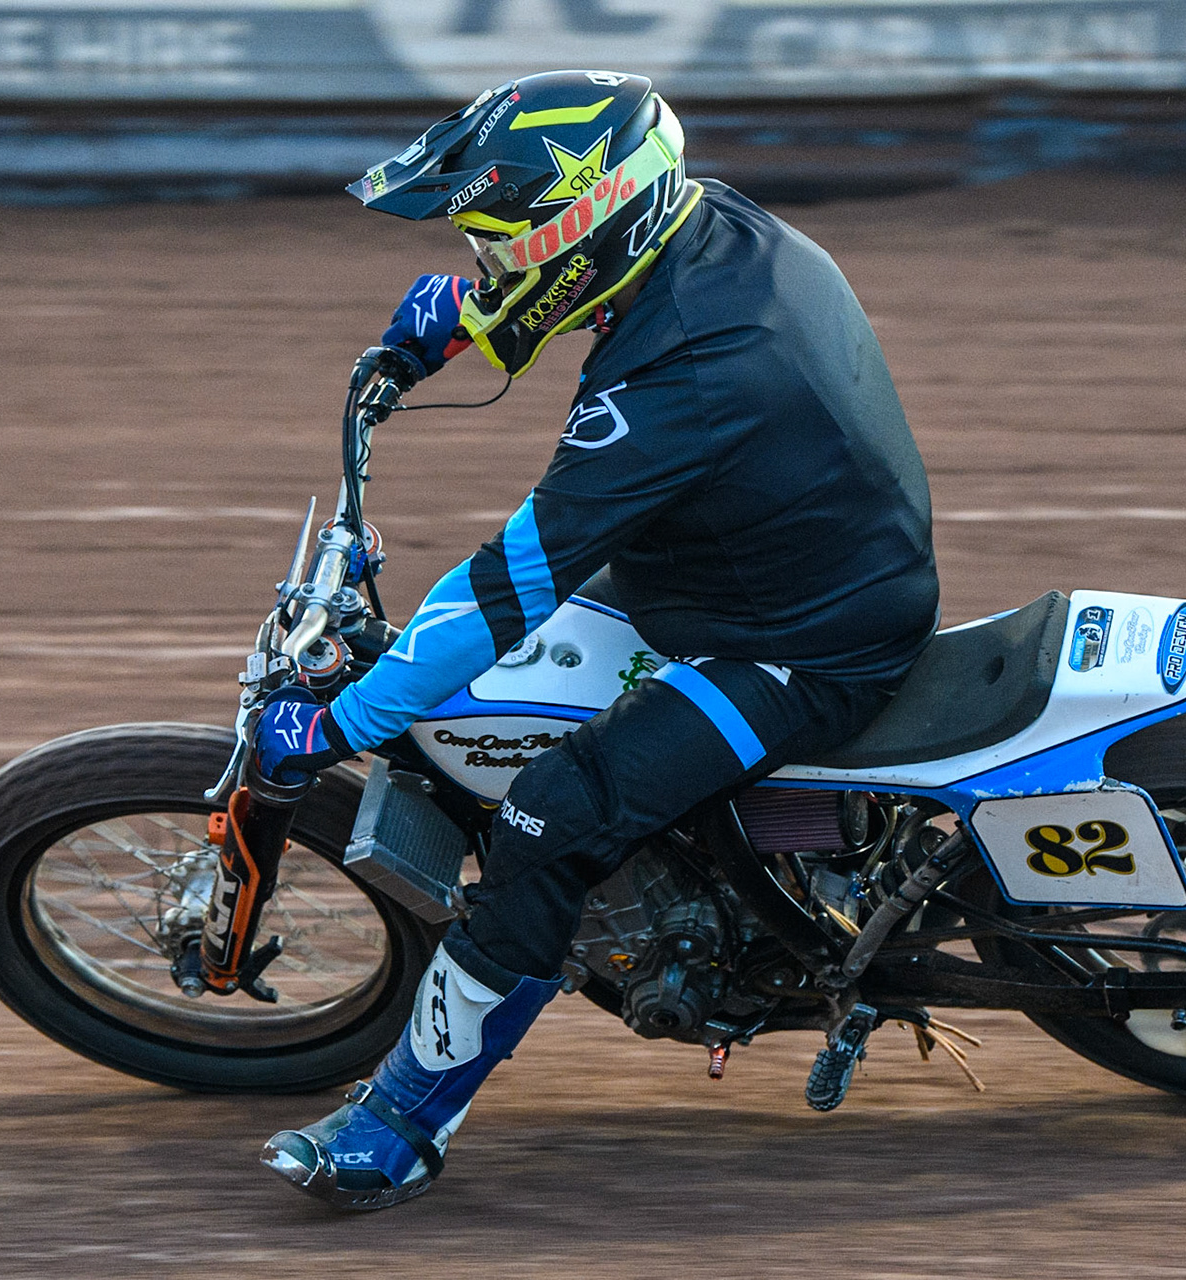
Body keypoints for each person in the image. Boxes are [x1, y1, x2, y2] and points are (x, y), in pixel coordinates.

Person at [251, 69, 939, 1211]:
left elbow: (511, 582)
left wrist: (339, 720)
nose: (481, 266)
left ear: (579, 226)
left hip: (801, 646)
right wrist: (465, 327)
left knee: (547, 816)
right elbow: (575, 282)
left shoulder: (685, 379)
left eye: (491, 246)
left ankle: (405, 1125)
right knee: (502, 690)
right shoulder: (703, 224)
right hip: (765, 560)